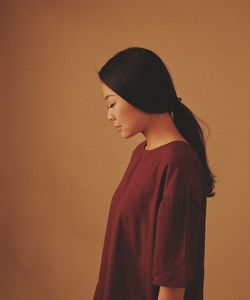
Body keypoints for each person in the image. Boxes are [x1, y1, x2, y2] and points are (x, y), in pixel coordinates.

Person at [92, 47, 216, 300]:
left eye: (112, 103)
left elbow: (173, 277)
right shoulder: (142, 153)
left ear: (139, 93)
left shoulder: (177, 163)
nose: (109, 115)